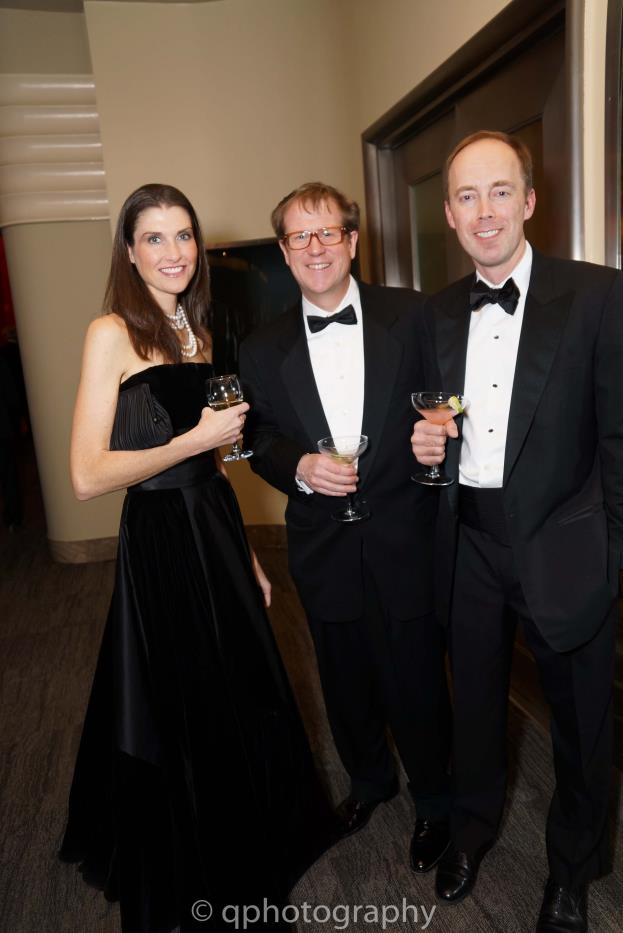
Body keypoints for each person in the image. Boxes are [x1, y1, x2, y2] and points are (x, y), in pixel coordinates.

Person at [59, 183, 338, 932]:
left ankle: (253, 836)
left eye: (183, 235)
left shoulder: (199, 333)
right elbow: (86, 475)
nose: (173, 251)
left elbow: (216, 467)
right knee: (182, 695)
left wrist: (248, 554)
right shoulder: (110, 332)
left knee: (241, 681)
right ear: (129, 251)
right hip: (160, 533)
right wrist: (192, 440)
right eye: (154, 238)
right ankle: (199, 861)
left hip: (213, 524)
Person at [411, 131, 623, 932]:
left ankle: (572, 867)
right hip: (467, 543)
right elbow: (430, 430)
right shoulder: (435, 313)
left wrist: (612, 559)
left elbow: (618, 439)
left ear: (528, 201)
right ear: (448, 214)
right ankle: (471, 832)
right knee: (473, 709)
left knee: (580, 724)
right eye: (466, 196)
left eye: (499, 191)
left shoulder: (597, 296)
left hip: (567, 547)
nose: (484, 211)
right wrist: (425, 448)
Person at [239, 182, 451, 875]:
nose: (315, 247)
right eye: (299, 236)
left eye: (328, 231)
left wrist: (440, 432)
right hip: (322, 543)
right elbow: (258, 438)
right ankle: (368, 781)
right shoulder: (260, 346)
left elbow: (447, 400)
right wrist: (299, 467)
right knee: (343, 677)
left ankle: (434, 799)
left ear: (352, 241)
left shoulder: (412, 315)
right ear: (284, 251)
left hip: (404, 536)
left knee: (417, 677)